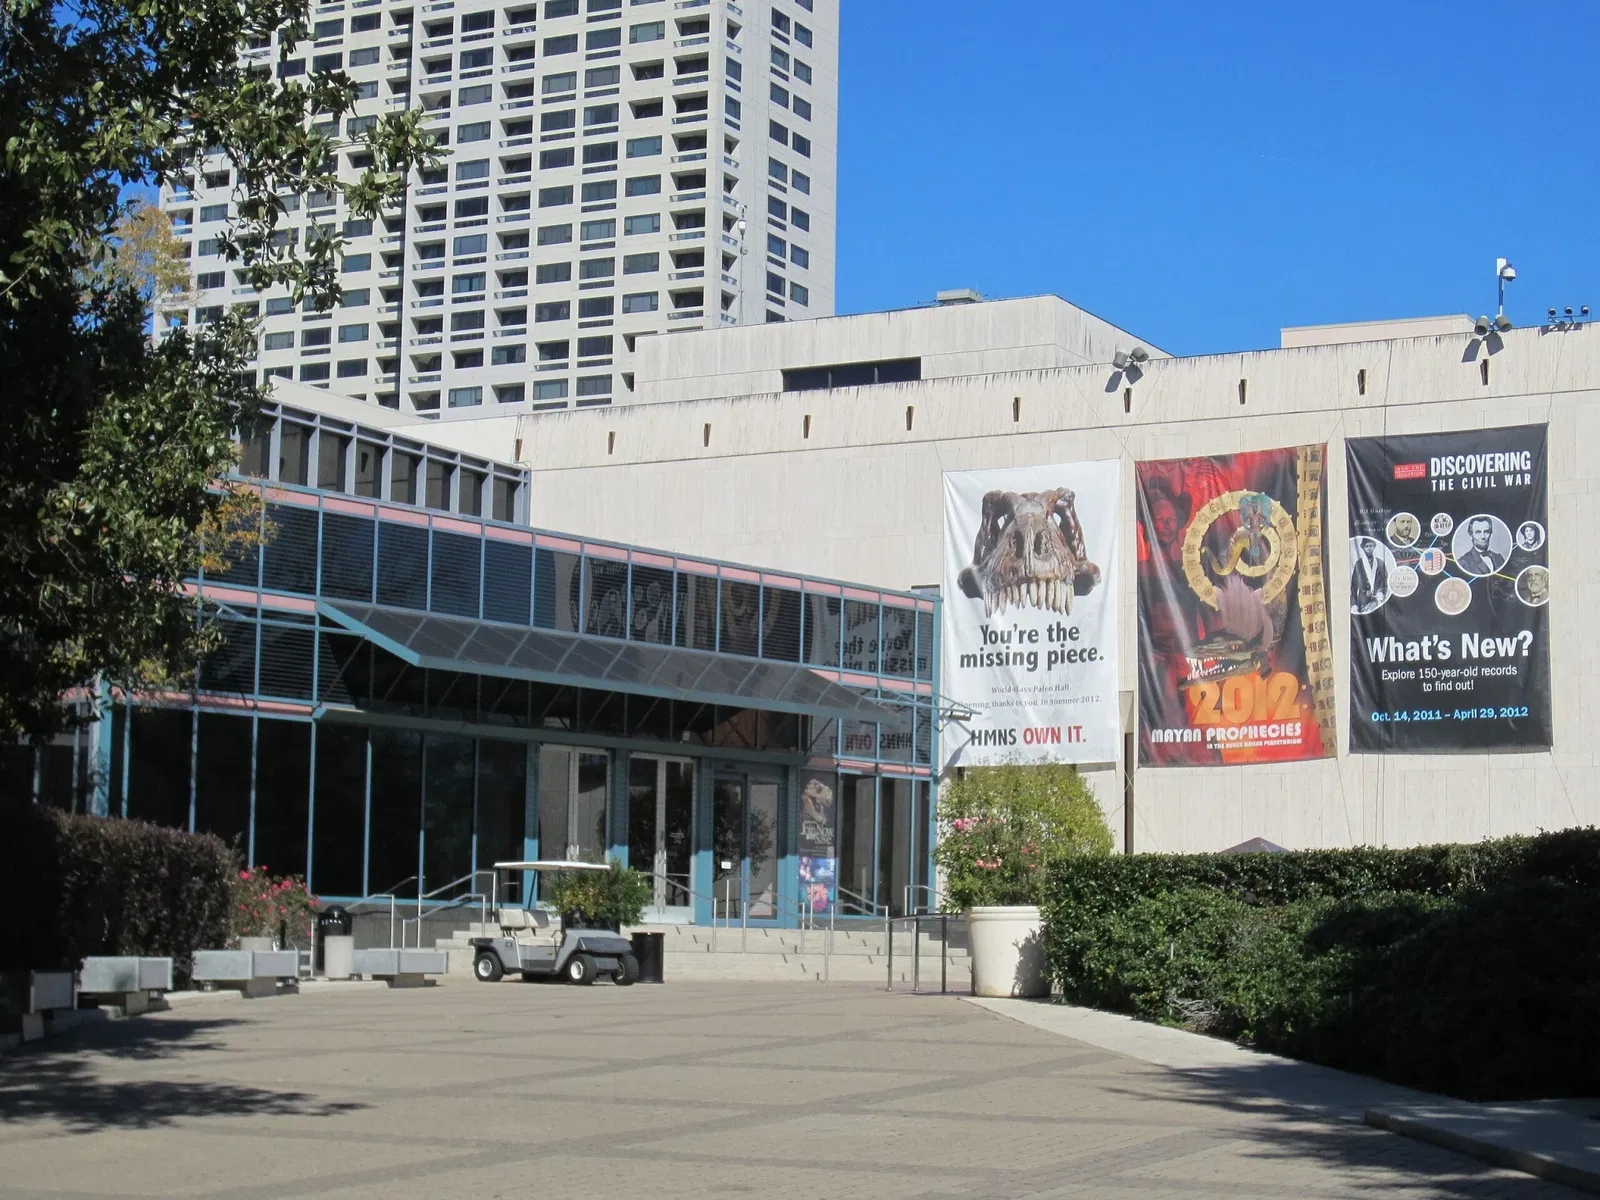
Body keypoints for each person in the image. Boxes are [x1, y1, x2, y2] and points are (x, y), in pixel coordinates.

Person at [1351, 538, 1389, 613]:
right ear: (1363, 548)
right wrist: (1353, 604)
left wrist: (1381, 592)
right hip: (1363, 600)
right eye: (1367, 546)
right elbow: (1353, 585)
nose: (1369, 548)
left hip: (1377, 598)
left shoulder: (1380, 563)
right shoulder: (1359, 564)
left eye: (1371, 546)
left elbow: (1385, 580)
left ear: (1374, 547)